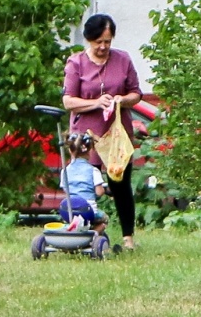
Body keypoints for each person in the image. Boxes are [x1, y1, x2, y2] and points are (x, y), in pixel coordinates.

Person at [61, 13, 142, 250]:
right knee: (85, 185)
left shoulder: (123, 59)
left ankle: (128, 239)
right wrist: (96, 103)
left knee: (121, 185)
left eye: (108, 41)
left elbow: (136, 93)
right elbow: (68, 101)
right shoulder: (76, 63)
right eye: (99, 42)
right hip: (86, 136)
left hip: (116, 134)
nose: (103, 46)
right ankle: (84, 233)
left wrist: (120, 100)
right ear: (89, 39)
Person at [60, 132, 109, 233]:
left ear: (70, 150)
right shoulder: (93, 171)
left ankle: (74, 228)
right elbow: (99, 191)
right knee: (104, 219)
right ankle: (93, 235)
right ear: (89, 151)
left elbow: (65, 190)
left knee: (73, 215)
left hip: (68, 211)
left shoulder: (64, 170)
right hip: (88, 211)